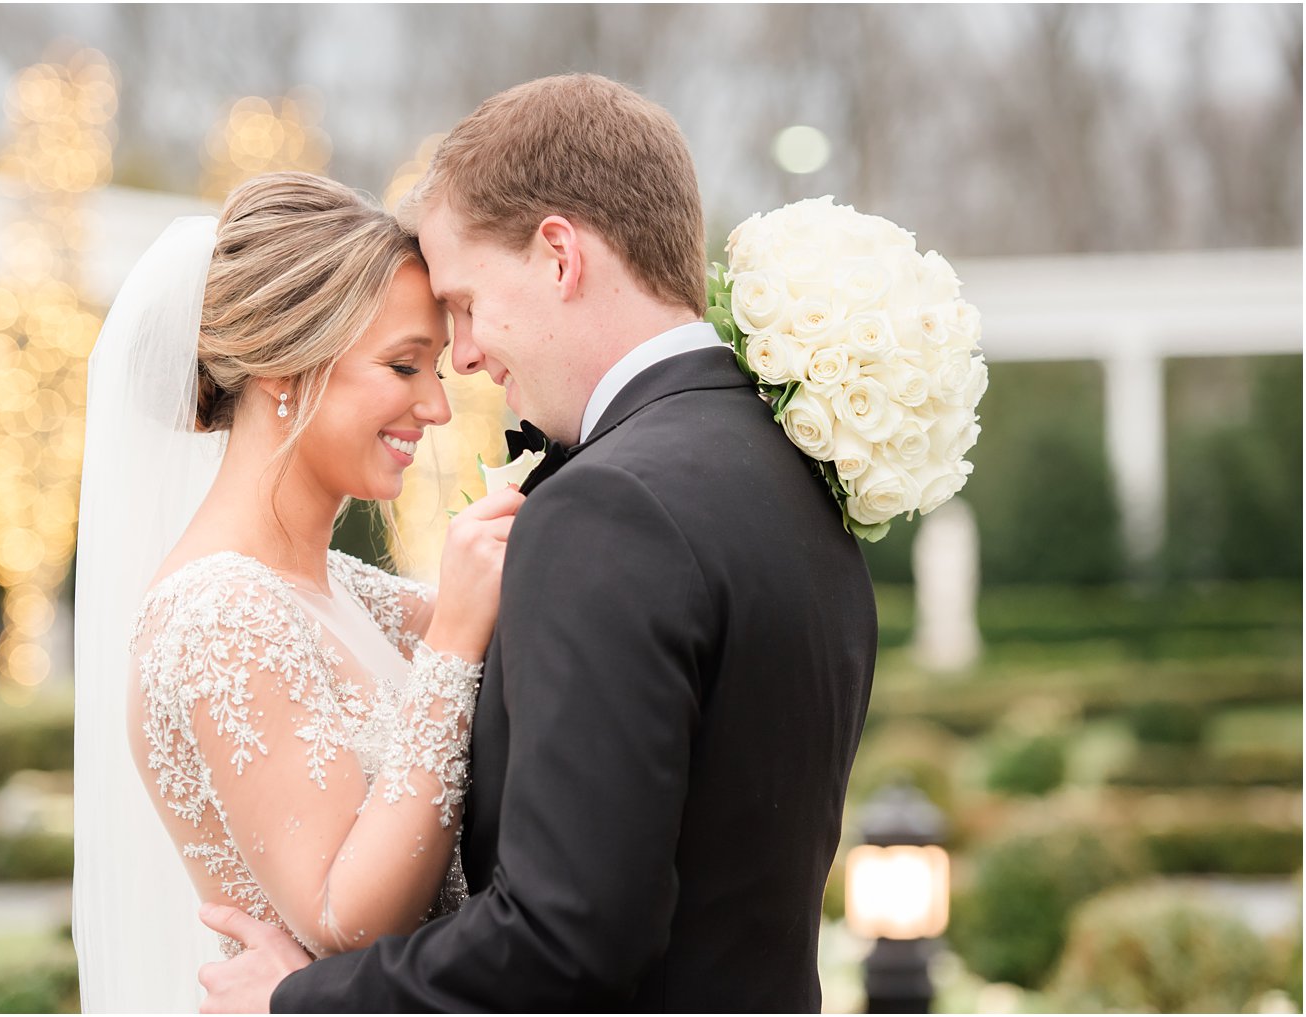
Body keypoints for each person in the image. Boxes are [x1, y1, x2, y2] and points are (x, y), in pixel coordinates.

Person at [197, 73, 877, 1013]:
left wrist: (300, 1001)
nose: (465, 356)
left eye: (466, 305)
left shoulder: (609, 506)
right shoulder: (796, 472)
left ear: (558, 254)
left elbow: (568, 934)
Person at [72, 172, 525, 1012]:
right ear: (286, 366)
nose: (434, 406)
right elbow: (345, 918)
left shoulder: (356, 594)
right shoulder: (217, 615)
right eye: (403, 366)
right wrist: (457, 638)